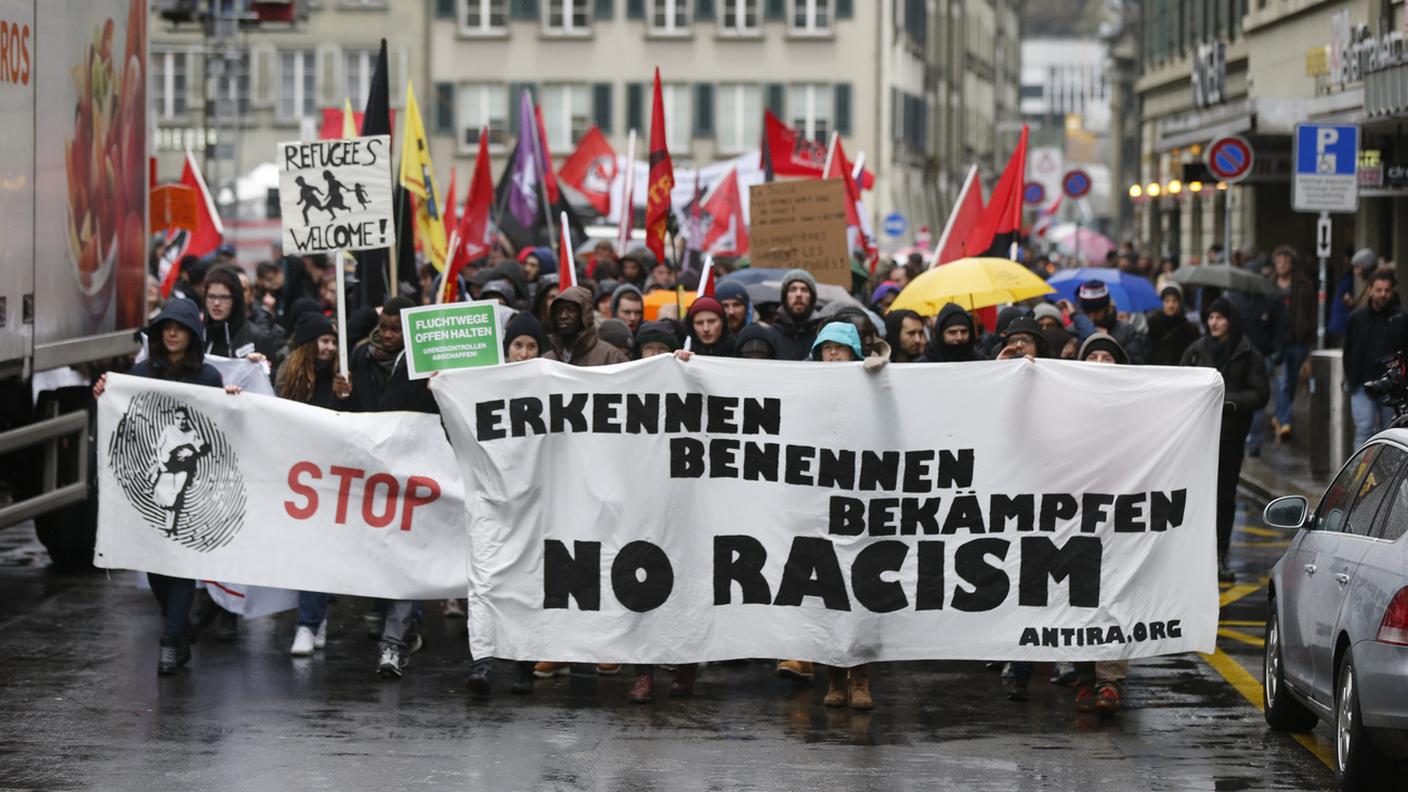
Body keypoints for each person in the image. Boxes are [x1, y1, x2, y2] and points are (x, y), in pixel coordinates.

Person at [91, 299, 242, 675]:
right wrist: (106, 393)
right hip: (152, 482)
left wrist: (233, 403)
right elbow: (126, 417)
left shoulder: (207, 377)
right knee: (155, 564)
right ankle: (181, 626)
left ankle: (171, 641)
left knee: (181, 561)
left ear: (192, 334)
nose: (172, 333)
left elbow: (217, 427)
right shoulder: (141, 372)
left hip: (193, 485)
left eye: (179, 327)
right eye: (165, 327)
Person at [807, 321, 875, 711]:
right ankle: (833, 676)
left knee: (862, 595)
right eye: (826, 348)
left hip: (860, 505)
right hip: (817, 505)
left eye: (841, 347)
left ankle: (861, 677)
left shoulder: (871, 387)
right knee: (824, 594)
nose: (833, 354)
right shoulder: (804, 388)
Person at [1181, 298, 1270, 582]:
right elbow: (1181, 383)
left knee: (1223, 498)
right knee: (1195, 497)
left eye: (1220, 317)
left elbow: (1260, 394)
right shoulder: (1196, 351)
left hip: (1230, 438)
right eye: (1211, 317)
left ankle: (1220, 554)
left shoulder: (1247, 353)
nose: (1214, 323)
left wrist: (1226, 400)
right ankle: (1193, 556)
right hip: (1199, 437)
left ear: (1230, 321)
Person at [281, 314, 353, 658]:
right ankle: (313, 619)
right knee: (306, 554)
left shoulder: (344, 379)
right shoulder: (288, 379)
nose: (329, 348)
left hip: (334, 479)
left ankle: (309, 623)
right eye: (323, 341)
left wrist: (345, 397)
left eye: (332, 341)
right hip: (299, 480)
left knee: (322, 552)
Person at [1343, 271, 1403, 448]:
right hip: (1362, 384)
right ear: (1370, 290)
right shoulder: (1356, 319)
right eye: (1378, 290)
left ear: (1392, 292)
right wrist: (1351, 380)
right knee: (1365, 428)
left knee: (1390, 433)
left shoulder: (1401, 319)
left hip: (1392, 387)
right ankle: (1360, 473)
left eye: (1386, 290)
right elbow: (1348, 351)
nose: (1382, 294)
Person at [1265, 246, 1316, 442]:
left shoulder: (1303, 284)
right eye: (1279, 261)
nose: (1282, 265)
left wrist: (1309, 336)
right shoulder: (1269, 285)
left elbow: (1312, 312)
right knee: (1282, 381)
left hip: (1298, 341)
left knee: (1291, 383)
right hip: (1278, 343)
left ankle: (1279, 416)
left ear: (1291, 264)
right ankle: (1285, 422)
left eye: (1285, 261)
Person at [346, 297, 413, 414]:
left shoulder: (422, 363)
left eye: (396, 329)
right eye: (383, 327)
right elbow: (347, 408)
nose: (387, 335)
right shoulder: (361, 355)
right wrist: (341, 395)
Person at [543, 286, 630, 366]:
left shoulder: (611, 357)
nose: (563, 316)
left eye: (571, 310)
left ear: (585, 314)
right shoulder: (547, 361)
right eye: (559, 310)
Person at [1069, 280, 1149, 364]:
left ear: (1107, 308)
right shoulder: (1073, 330)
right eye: (1087, 311)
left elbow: (1136, 365)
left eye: (1096, 311)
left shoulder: (1126, 331)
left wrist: (1109, 345)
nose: (1091, 316)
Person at [201, 267, 272, 360]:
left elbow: (270, 371)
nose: (216, 303)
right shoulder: (197, 336)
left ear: (236, 299)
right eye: (211, 296)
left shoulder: (256, 337)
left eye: (224, 297)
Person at [1146, 284, 1201, 366]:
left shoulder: (1188, 328)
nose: (1170, 305)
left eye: (1174, 301)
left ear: (1179, 303)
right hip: (1158, 370)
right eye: (1167, 301)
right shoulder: (1153, 325)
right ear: (1162, 303)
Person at [771, 269, 820, 361]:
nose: (798, 294)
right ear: (785, 297)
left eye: (804, 290)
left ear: (812, 298)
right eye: (793, 289)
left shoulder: (821, 336)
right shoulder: (770, 335)